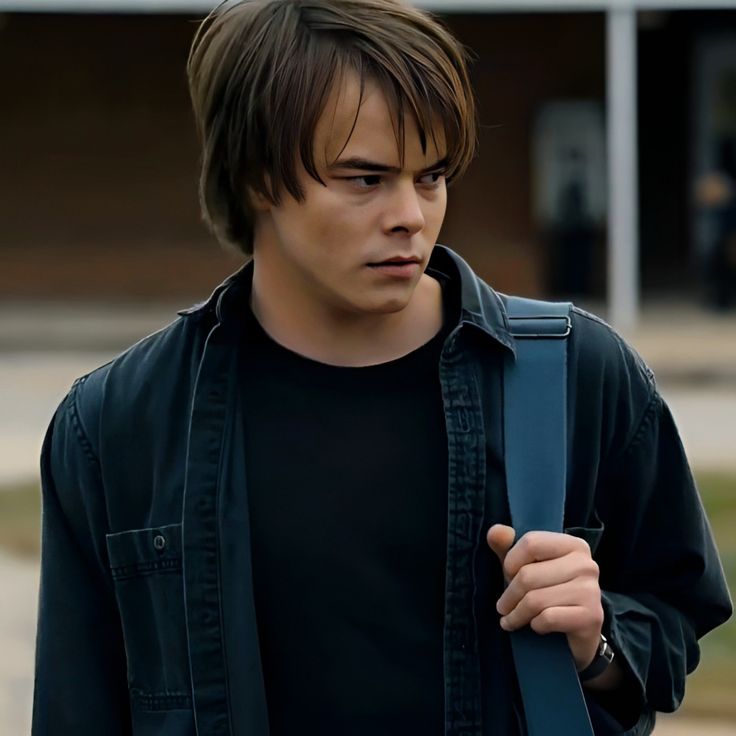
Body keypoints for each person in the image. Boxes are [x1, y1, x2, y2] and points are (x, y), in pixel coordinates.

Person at [32, 1, 731, 734]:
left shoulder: (577, 377)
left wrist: (599, 641)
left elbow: (674, 616)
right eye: (366, 179)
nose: (412, 216)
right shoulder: (115, 426)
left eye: (430, 176)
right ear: (257, 178)